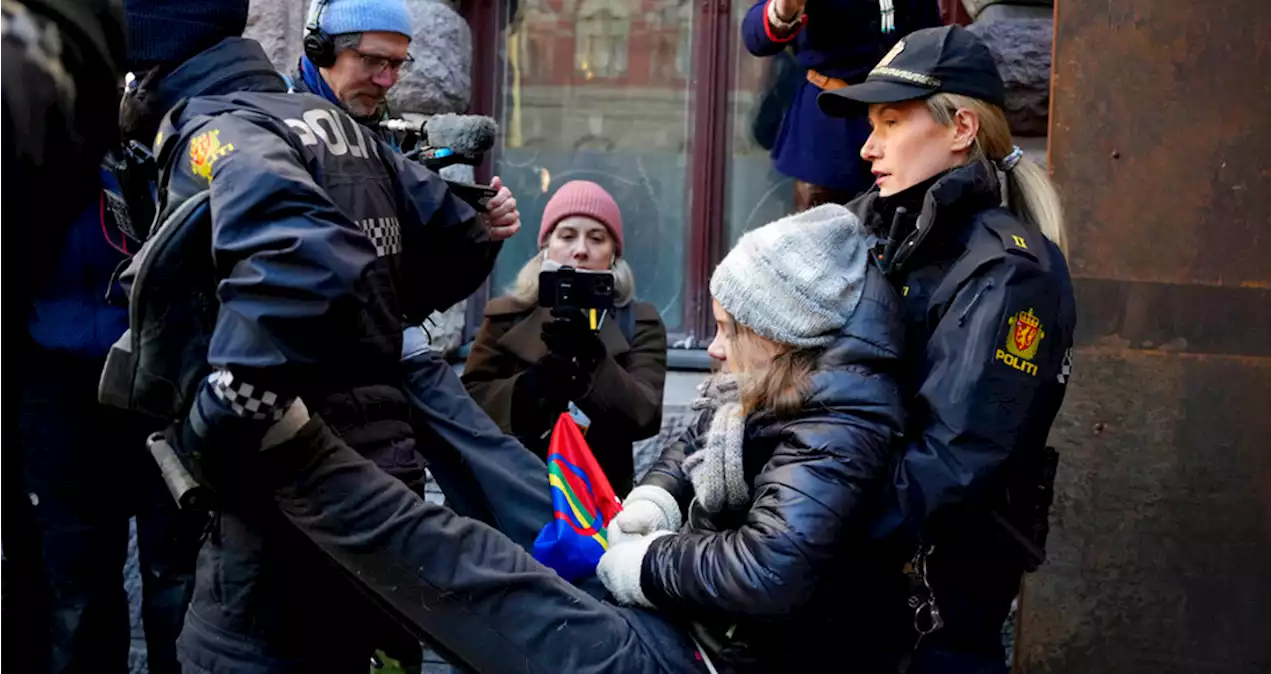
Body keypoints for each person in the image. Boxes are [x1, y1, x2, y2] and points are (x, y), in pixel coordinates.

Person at [223, 203, 907, 674]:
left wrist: (643, 560)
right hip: (673, 597)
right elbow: (688, 438)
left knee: (481, 571)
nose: (718, 349)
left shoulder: (842, 420)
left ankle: (298, 453)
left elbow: (768, 572)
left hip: (701, 650)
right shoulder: (770, 380)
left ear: (781, 333)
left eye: (730, 329)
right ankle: (406, 355)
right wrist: (655, 502)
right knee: (503, 482)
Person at [111, 1, 531, 671]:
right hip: (382, 469)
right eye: (374, 61)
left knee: (231, 654)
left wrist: (220, 419)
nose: (385, 79)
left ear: (151, 66)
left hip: (286, 484)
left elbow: (303, 264)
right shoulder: (341, 127)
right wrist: (372, 322)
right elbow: (458, 236)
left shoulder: (220, 132)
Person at [817, 24, 1077, 673]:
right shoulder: (874, 230)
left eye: (890, 121)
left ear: (960, 128)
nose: (869, 147)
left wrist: (802, 531)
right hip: (845, 601)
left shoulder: (1011, 273)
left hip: (925, 622)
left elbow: (951, 466)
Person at [17, 167, 205, 674]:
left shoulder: (143, 144)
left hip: (158, 379)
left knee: (175, 573)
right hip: (56, 389)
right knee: (77, 584)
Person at [1, 1, 126, 671]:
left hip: (143, 378)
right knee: (72, 583)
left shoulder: (164, 116)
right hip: (55, 377)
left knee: (161, 578)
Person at [463, 181, 667, 494]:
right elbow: (470, 405)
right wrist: (531, 388)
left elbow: (645, 417)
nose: (581, 250)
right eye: (567, 236)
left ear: (613, 254)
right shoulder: (505, 315)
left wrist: (593, 361)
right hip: (513, 492)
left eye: (597, 238)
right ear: (546, 247)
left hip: (598, 500)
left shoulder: (640, 322)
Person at [741, 0, 941, 211]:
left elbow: (931, 38)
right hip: (830, 130)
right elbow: (755, 35)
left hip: (901, 120)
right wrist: (783, 12)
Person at [288, 0, 414, 149]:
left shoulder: (397, 134)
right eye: (373, 61)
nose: (386, 81)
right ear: (320, 53)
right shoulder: (270, 121)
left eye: (397, 64)